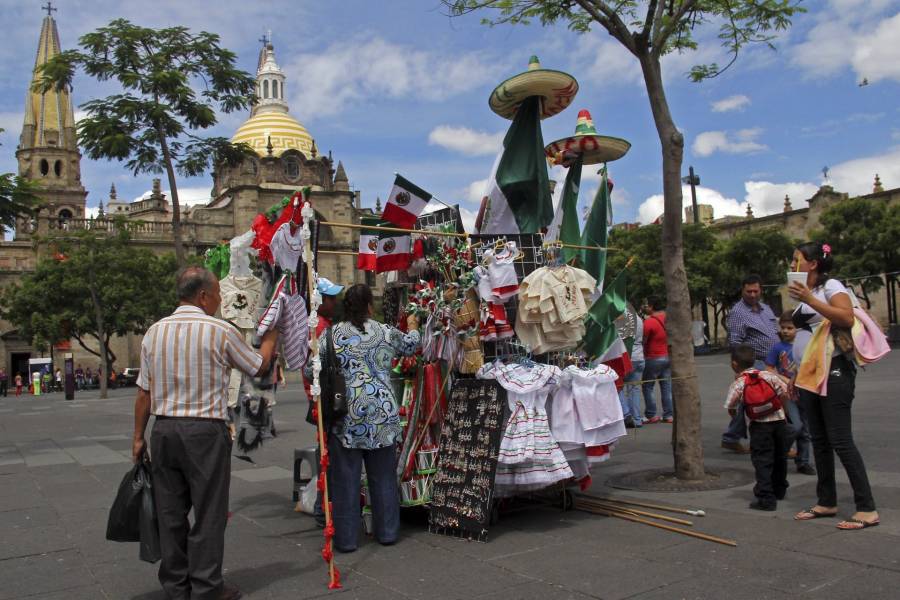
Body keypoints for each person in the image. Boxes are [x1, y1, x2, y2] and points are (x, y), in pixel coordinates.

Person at [132, 267, 279, 600]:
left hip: (164, 430)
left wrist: (138, 437)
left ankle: (176, 585)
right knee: (209, 512)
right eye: (216, 295)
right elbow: (258, 366)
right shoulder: (219, 330)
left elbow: (144, 393)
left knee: (170, 513)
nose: (219, 301)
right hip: (204, 431)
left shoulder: (154, 332)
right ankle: (207, 587)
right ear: (202, 296)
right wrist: (271, 336)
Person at [314, 283, 419, 553]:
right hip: (383, 412)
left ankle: (347, 539)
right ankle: (387, 532)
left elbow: (309, 371)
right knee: (383, 476)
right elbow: (411, 346)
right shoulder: (385, 331)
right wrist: (414, 323)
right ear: (370, 306)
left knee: (346, 479)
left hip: (346, 413)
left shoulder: (330, 336)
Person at [789, 242, 879, 531]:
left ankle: (867, 508)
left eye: (796, 260)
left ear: (812, 263)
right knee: (820, 440)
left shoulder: (831, 286)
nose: (792, 266)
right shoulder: (809, 294)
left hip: (835, 370)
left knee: (840, 439)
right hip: (809, 374)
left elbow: (845, 316)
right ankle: (826, 500)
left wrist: (810, 299)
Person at [724, 344, 791, 511]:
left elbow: (730, 406)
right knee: (779, 457)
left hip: (759, 426)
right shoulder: (768, 375)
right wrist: (780, 409)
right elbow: (785, 393)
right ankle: (779, 489)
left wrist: (739, 416)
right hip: (779, 421)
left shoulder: (739, 383)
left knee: (762, 461)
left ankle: (766, 498)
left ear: (734, 364)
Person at [301, 277, 344, 527]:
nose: (334, 302)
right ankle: (322, 510)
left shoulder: (323, 324)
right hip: (323, 399)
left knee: (327, 452)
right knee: (328, 454)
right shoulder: (320, 328)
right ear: (320, 301)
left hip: (321, 397)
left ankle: (323, 507)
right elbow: (311, 369)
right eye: (330, 298)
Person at [722, 275, 780, 454]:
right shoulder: (738, 312)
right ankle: (779, 442)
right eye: (749, 291)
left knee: (751, 402)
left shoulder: (766, 309)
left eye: (756, 291)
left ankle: (731, 436)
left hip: (774, 361)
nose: (753, 295)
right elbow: (735, 341)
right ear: (742, 290)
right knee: (763, 400)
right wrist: (741, 368)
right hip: (755, 363)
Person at [765, 311, 815, 476]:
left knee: (806, 429)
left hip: (806, 391)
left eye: (790, 328)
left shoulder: (806, 346)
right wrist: (784, 380)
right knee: (796, 426)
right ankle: (780, 450)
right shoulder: (778, 347)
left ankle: (803, 461)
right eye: (783, 327)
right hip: (788, 394)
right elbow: (769, 369)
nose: (785, 331)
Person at [641, 296, 672, 423]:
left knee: (648, 386)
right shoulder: (669, 319)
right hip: (667, 356)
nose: (645, 308)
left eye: (647, 305)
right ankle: (669, 415)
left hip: (653, 357)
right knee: (666, 386)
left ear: (652, 307)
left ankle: (651, 414)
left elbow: (644, 340)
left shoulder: (649, 322)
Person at [617, 304, 644, 428]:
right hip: (639, 356)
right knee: (635, 389)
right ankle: (637, 419)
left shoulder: (621, 319)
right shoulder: (639, 319)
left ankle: (626, 414)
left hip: (626, 356)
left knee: (618, 386)